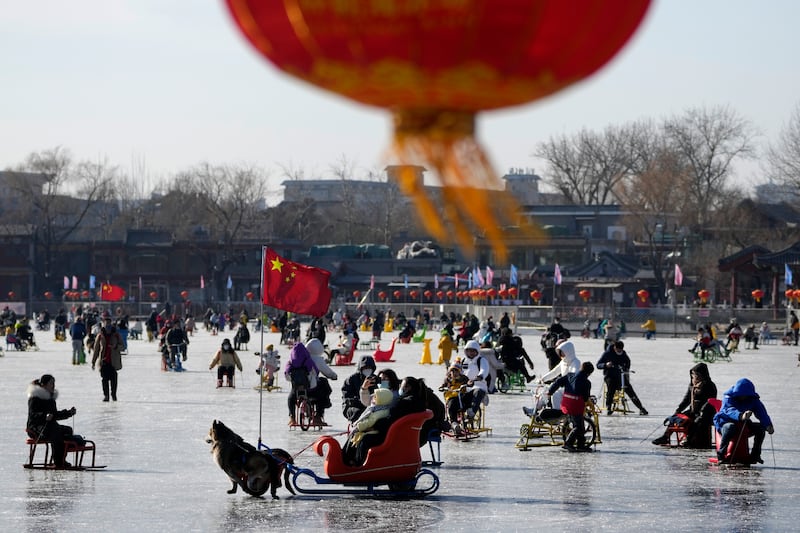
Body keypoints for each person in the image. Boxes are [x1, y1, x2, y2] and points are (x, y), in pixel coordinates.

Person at [652, 362, 717, 447]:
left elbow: (710, 401)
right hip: (694, 411)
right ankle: (666, 436)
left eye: (696, 374)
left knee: (697, 422)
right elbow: (687, 399)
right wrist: (679, 410)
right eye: (693, 375)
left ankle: (689, 439)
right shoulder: (692, 385)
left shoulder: (709, 385)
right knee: (676, 418)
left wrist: (702, 412)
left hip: (706, 413)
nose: (694, 377)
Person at [713, 378, 774, 464]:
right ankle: (721, 455)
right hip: (724, 422)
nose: (743, 397)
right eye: (741, 395)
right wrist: (741, 415)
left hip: (743, 424)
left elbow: (761, 412)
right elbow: (729, 410)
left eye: (745, 395)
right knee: (730, 427)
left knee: (760, 429)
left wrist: (768, 425)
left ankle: (755, 455)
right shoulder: (728, 397)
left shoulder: (753, 399)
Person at [26, 374, 78, 468]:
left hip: (49, 426)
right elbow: (33, 415)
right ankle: (58, 461)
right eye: (51, 383)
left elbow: (55, 415)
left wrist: (69, 413)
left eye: (54, 383)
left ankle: (62, 458)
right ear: (44, 385)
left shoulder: (50, 399)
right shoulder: (35, 397)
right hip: (35, 427)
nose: (53, 385)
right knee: (55, 430)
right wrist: (44, 416)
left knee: (67, 430)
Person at [547, 362, 595, 452]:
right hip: (575, 406)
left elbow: (557, 382)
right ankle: (568, 443)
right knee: (578, 427)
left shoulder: (569, 375)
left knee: (580, 425)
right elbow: (585, 398)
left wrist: (550, 391)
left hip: (565, 404)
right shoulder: (587, 382)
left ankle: (581, 445)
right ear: (589, 373)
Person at [342, 388, 394, 466]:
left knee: (363, 440)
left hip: (373, 432)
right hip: (368, 430)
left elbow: (370, 422)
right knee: (353, 437)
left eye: (376, 397)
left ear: (382, 399)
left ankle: (358, 462)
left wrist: (358, 427)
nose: (373, 398)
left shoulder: (382, 411)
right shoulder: (374, 408)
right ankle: (346, 458)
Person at [447, 340, 489, 435]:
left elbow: (484, 370)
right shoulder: (463, 360)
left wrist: (479, 377)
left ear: (477, 351)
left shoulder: (481, 360)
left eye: (473, 351)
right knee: (452, 402)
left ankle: (471, 413)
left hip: (478, 386)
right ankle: (454, 423)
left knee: (477, 392)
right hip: (463, 388)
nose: (470, 353)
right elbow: (455, 370)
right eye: (468, 351)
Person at [595, 341, 648, 416]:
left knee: (630, 390)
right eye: (618, 350)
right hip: (609, 375)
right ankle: (609, 407)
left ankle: (641, 408)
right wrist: (606, 365)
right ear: (614, 347)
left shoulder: (623, 354)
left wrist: (626, 368)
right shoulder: (607, 353)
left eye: (621, 350)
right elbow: (598, 365)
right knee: (611, 388)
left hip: (620, 376)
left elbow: (628, 361)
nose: (619, 352)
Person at [284, 342, 319, 425]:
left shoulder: (290, 363)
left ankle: (292, 418)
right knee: (317, 396)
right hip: (308, 387)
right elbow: (315, 371)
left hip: (295, 388)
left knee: (291, 399)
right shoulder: (308, 360)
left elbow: (286, 375)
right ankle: (316, 417)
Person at [91, 316, 123, 402]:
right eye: (106, 322)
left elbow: (122, 346)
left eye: (109, 322)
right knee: (104, 380)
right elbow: (96, 349)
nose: (107, 324)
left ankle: (113, 395)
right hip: (104, 361)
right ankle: (106, 396)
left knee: (114, 380)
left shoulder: (116, 334)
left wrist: (115, 347)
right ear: (103, 323)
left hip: (113, 361)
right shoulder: (100, 335)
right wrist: (93, 362)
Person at [306, 338, 337, 424]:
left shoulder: (302, 357)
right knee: (324, 389)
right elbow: (327, 372)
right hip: (312, 388)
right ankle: (318, 416)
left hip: (299, 387)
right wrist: (334, 376)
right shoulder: (317, 359)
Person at [341, 355, 376, 423]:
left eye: (369, 368)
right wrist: (359, 401)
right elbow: (347, 397)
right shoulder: (351, 380)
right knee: (359, 412)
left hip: (371, 406)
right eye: (365, 368)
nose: (367, 370)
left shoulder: (375, 379)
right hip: (352, 406)